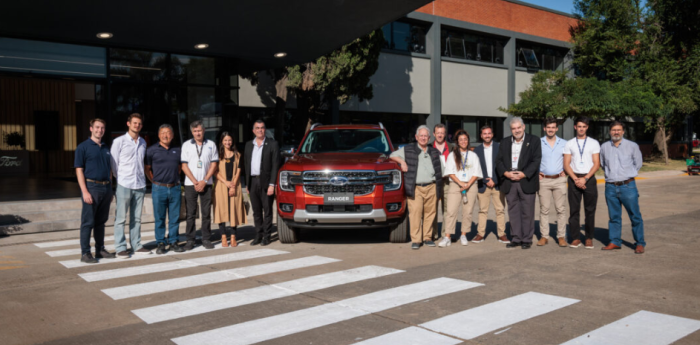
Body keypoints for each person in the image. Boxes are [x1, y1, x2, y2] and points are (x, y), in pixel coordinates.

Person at [390, 125, 444, 250]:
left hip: (432, 186)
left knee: (430, 214)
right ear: (416, 137)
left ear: (429, 138)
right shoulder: (408, 149)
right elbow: (392, 155)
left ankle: (427, 237)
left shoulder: (435, 152)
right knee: (415, 213)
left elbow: (440, 170)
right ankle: (416, 239)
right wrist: (402, 162)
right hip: (416, 187)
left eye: (426, 136)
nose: (423, 138)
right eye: (421, 136)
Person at [600, 121, 646, 254]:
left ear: (623, 131)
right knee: (614, 217)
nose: (616, 132)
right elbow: (603, 165)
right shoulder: (604, 147)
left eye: (619, 130)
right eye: (614, 130)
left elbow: (638, 164)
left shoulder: (632, 146)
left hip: (628, 186)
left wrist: (626, 175)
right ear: (610, 131)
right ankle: (615, 241)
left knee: (635, 216)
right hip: (610, 187)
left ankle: (639, 243)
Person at [496, 117, 542, 249]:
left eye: (518, 128)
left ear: (523, 127)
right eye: (513, 128)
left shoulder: (534, 140)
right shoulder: (504, 142)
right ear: (511, 129)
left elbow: (536, 160)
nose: (516, 131)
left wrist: (524, 174)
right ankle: (516, 238)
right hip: (509, 180)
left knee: (527, 211)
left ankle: (527, 239)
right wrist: (505, 173)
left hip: (526, 180)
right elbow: (498, 161)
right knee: (513, 211)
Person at [74, 118, 116, 263]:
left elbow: (109, 169)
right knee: (88, 222)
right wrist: (84, 191)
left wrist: (110, 189)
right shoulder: (83, 147)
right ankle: (85, 253)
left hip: (105, 188)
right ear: (91, 128)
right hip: (91, 187)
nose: (100, 130)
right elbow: (79, 170)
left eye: (102, 128)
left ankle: (100, 249)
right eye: (97, 127)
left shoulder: (106, 148)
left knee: (101, 222)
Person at [110, 113, 149, 259]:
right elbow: (113, 163)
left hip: (139, 184)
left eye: (139, 123)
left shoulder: (143, 142)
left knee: (137, 218)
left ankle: (136, 245)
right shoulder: (119, 141)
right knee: (120, 218)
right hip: (124, 184)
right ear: (128, 124)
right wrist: (119, 178)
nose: (137, 125)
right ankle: (120, 247)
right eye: (134, 123)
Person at [145, 124, 184, 254]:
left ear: (172, 135)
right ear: (158, 135)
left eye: (168, 133)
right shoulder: (151, 150)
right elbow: (147, 169)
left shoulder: (177, 150)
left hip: (175, 188)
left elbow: (179, 167)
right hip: (159, 188)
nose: (165, 135)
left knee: (174, 217)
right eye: (162, 133)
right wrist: (154, 182)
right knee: (160, 218)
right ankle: (160, 242)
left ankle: (173, 241)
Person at [439, 129, 482, 247]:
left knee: (467, 212)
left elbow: (477, 172)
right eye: (461, 140)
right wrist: (460, 183)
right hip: (455, 185)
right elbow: (450, 172)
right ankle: (447, 236)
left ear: (468, 141)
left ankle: (463, 234)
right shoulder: (452, 155)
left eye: (465, 139)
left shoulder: (473, 155)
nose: (463, 141)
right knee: (451, 211)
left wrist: (468, 183)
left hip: (471, 185)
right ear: (457, 142)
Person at [181, 120, 219, 250]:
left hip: (206, 184)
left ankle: (206, 239)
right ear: (192, 132)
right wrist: (195, 181)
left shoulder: (211, 144)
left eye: (200, 130)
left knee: (206, 213)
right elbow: (184, 165)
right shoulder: (186, 145)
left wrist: (204, 180)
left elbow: (214, 164)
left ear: (204, 131)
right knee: (191, 213)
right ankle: (190, 240)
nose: (197, 133)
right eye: (195, 131)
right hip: (190, 184)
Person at [563, 116, 600, 249]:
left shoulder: (594, 143)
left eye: (584, 126)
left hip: (588, 179)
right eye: (579, 126)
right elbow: (566, 164)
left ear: (587, 127)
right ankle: (576, 238)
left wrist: (585, 178)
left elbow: (596, 164)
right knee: (574, 210)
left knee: (590, 210)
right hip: (574, 179)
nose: (581, 129)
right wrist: (575, 179)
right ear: (575, 127)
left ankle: (589, 237)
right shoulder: (570, 143)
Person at [244, 120, 279, 246]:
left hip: (266, 182)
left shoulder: (272, 144)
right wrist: (247, 184)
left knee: (267, 210)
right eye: (257, 128)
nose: (260, 130)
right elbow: (246, 164)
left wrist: (272, 184)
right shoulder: (248, 145)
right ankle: (258, 235)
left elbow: (275, 166)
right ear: (253, 131)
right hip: (253, 181)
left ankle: (267, 236)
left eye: (262, 128)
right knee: (256, 211)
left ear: (265, 130)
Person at [473, 125, 508, 244]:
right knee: (483, 210)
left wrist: (494, 179)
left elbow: (503, 165)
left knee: (500, 210)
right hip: (483, 185)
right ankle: (480, 234)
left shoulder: (500, 147)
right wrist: (486, 180)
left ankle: (502, 234)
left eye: (489, 133)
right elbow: (476, 168)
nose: (487, 135)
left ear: (492, 135)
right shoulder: (476, 150)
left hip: (498, 184)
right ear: (481, 136)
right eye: (484, 134)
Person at [537, 118, 568, 247]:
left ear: (557, 128)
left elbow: (570, 158)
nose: (550, 129)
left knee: (561, 209)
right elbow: (533, 159)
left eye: (553, 127)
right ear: (544, 128)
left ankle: (561, 236)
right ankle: (544, 236)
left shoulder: (564, 143)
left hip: (559, 180)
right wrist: (537, 172)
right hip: (543, 180)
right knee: (544, 209)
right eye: (548, 127)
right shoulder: (538, 142)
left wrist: (566, 171)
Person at [213, 132, 247, 247]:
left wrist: (232, 185)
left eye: (230, 140)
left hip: (234, 184)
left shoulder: (237, 155)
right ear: (222, 141)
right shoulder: (217, 155)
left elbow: (238, 170)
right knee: (221, 211)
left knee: (234, 210)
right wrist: (225, 182)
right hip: (221, 185)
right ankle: (223, 237)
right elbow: (215, 171)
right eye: (225, 140)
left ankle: (233, 236)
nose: (228, 142)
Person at [431, 123, 454, 240]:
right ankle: (433, 234)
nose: (440, 135)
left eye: (442, 133)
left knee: (448, 209)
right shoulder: (429, 147)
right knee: (432, 209)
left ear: (445, 134)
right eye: (438, 133)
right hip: (433, 182)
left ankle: (446, 234)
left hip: (447, 182)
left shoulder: (451, 147)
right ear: (434, 134)